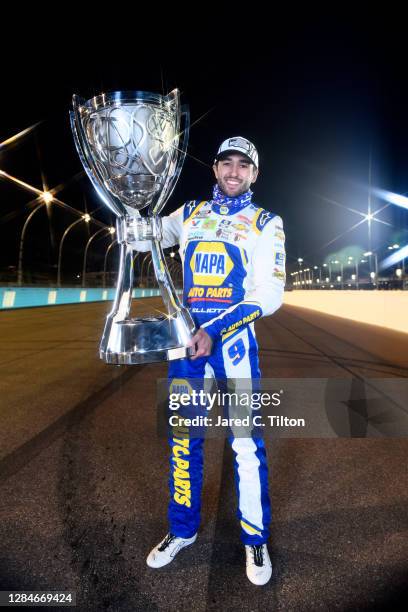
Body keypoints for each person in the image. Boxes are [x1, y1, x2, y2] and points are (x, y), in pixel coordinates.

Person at [136, 136, 286, 585]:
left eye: (244, 165)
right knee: (183, 439)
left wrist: (215, 330)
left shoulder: (266, 222)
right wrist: (129, 209)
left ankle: (254, 539)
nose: (234, 171)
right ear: (216, 168)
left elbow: (270, 292)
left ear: (254, 174)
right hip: (186, 348)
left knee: (245, 444)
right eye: (227, 163)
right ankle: (182, 530)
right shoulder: (189, 213)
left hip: (234, 347)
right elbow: (145, 238)